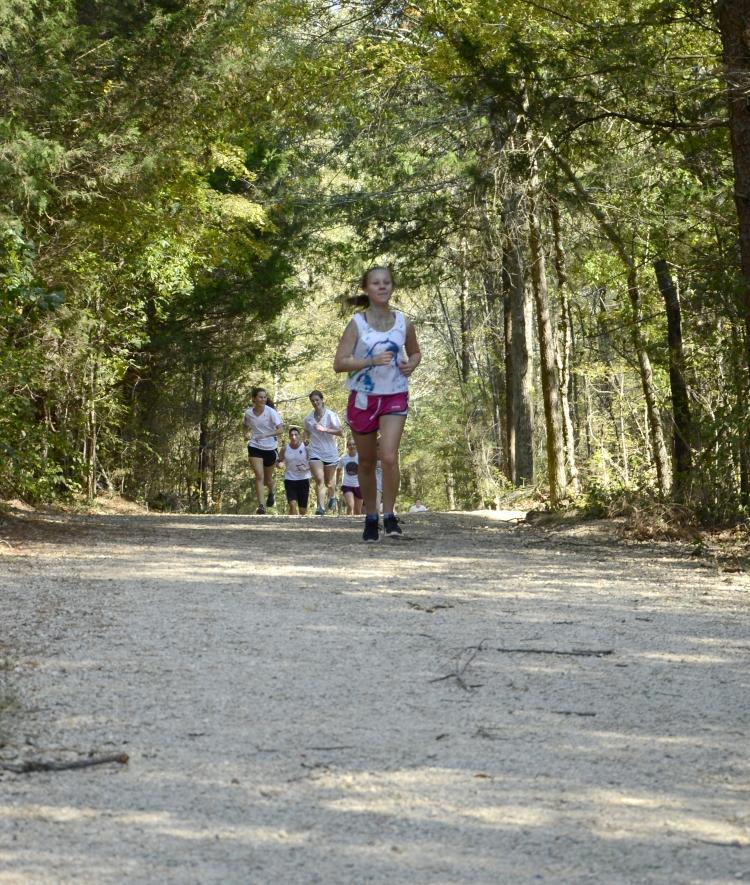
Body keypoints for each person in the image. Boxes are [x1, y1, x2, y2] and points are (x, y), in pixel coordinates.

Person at [333, 265, 421, 541]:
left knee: (389, 456)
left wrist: (412, 365)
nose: (382, 287)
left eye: (386, 283)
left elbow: (415, 352)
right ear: (366, 289)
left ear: (392, 287)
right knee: (368, 461)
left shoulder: (403, 322)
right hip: (363, 397)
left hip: (394, 394)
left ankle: (390, 514)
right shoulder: (357, 324)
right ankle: (371, 517)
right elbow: (339, 363)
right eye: (376, 283)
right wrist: (370, 360)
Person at [243, 387, 284, 514]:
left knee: (268, 480)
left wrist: (266, 435)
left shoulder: (271, 412)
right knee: (259, 476)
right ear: (254, 399)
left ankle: (271, 492)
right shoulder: (248, 413)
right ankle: (261, 506)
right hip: (255, 446)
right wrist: (245, 434)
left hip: (270, 448)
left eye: (265, 397)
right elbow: (245, 425)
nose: (263, 399)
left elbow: (281, 430)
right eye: (260, 397)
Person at [303, 390, 343, 516]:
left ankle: (332, 496)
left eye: (317, 400)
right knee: (319, 480)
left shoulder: (331, 415)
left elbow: (341, 432)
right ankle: (320, 508)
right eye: (312, 401)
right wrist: (305, 439)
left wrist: (325, 429)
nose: (315, 403)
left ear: (322, 400)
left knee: (329, 482)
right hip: (315, 451)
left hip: (330, 452)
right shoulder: (308, 418)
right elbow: (306, 431)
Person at [277, 427, 311, 516]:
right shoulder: (285, 448)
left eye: (296, 435)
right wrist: (279, 464)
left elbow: (313, 462)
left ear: (299, 436)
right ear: (289, 437)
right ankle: (293, 524)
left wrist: (306, 467)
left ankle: (300, 526)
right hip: (290, 479)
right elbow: (279, 461)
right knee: (292, 504)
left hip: (303, 479)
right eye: (291, 435)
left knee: (302, 510)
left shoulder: (306, 447)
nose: (293, 437)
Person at [339, 438, 363, 516]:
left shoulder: (361, 457)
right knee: (350, 505)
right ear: (347, 447)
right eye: (350, 444)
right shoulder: (343, 458)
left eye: (353, 444)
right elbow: (339, 469)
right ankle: (347, 519)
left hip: (359, 485)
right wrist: (336, 482)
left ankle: (355, 525)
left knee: (358, 511)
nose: (352, 446)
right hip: (347, 485)